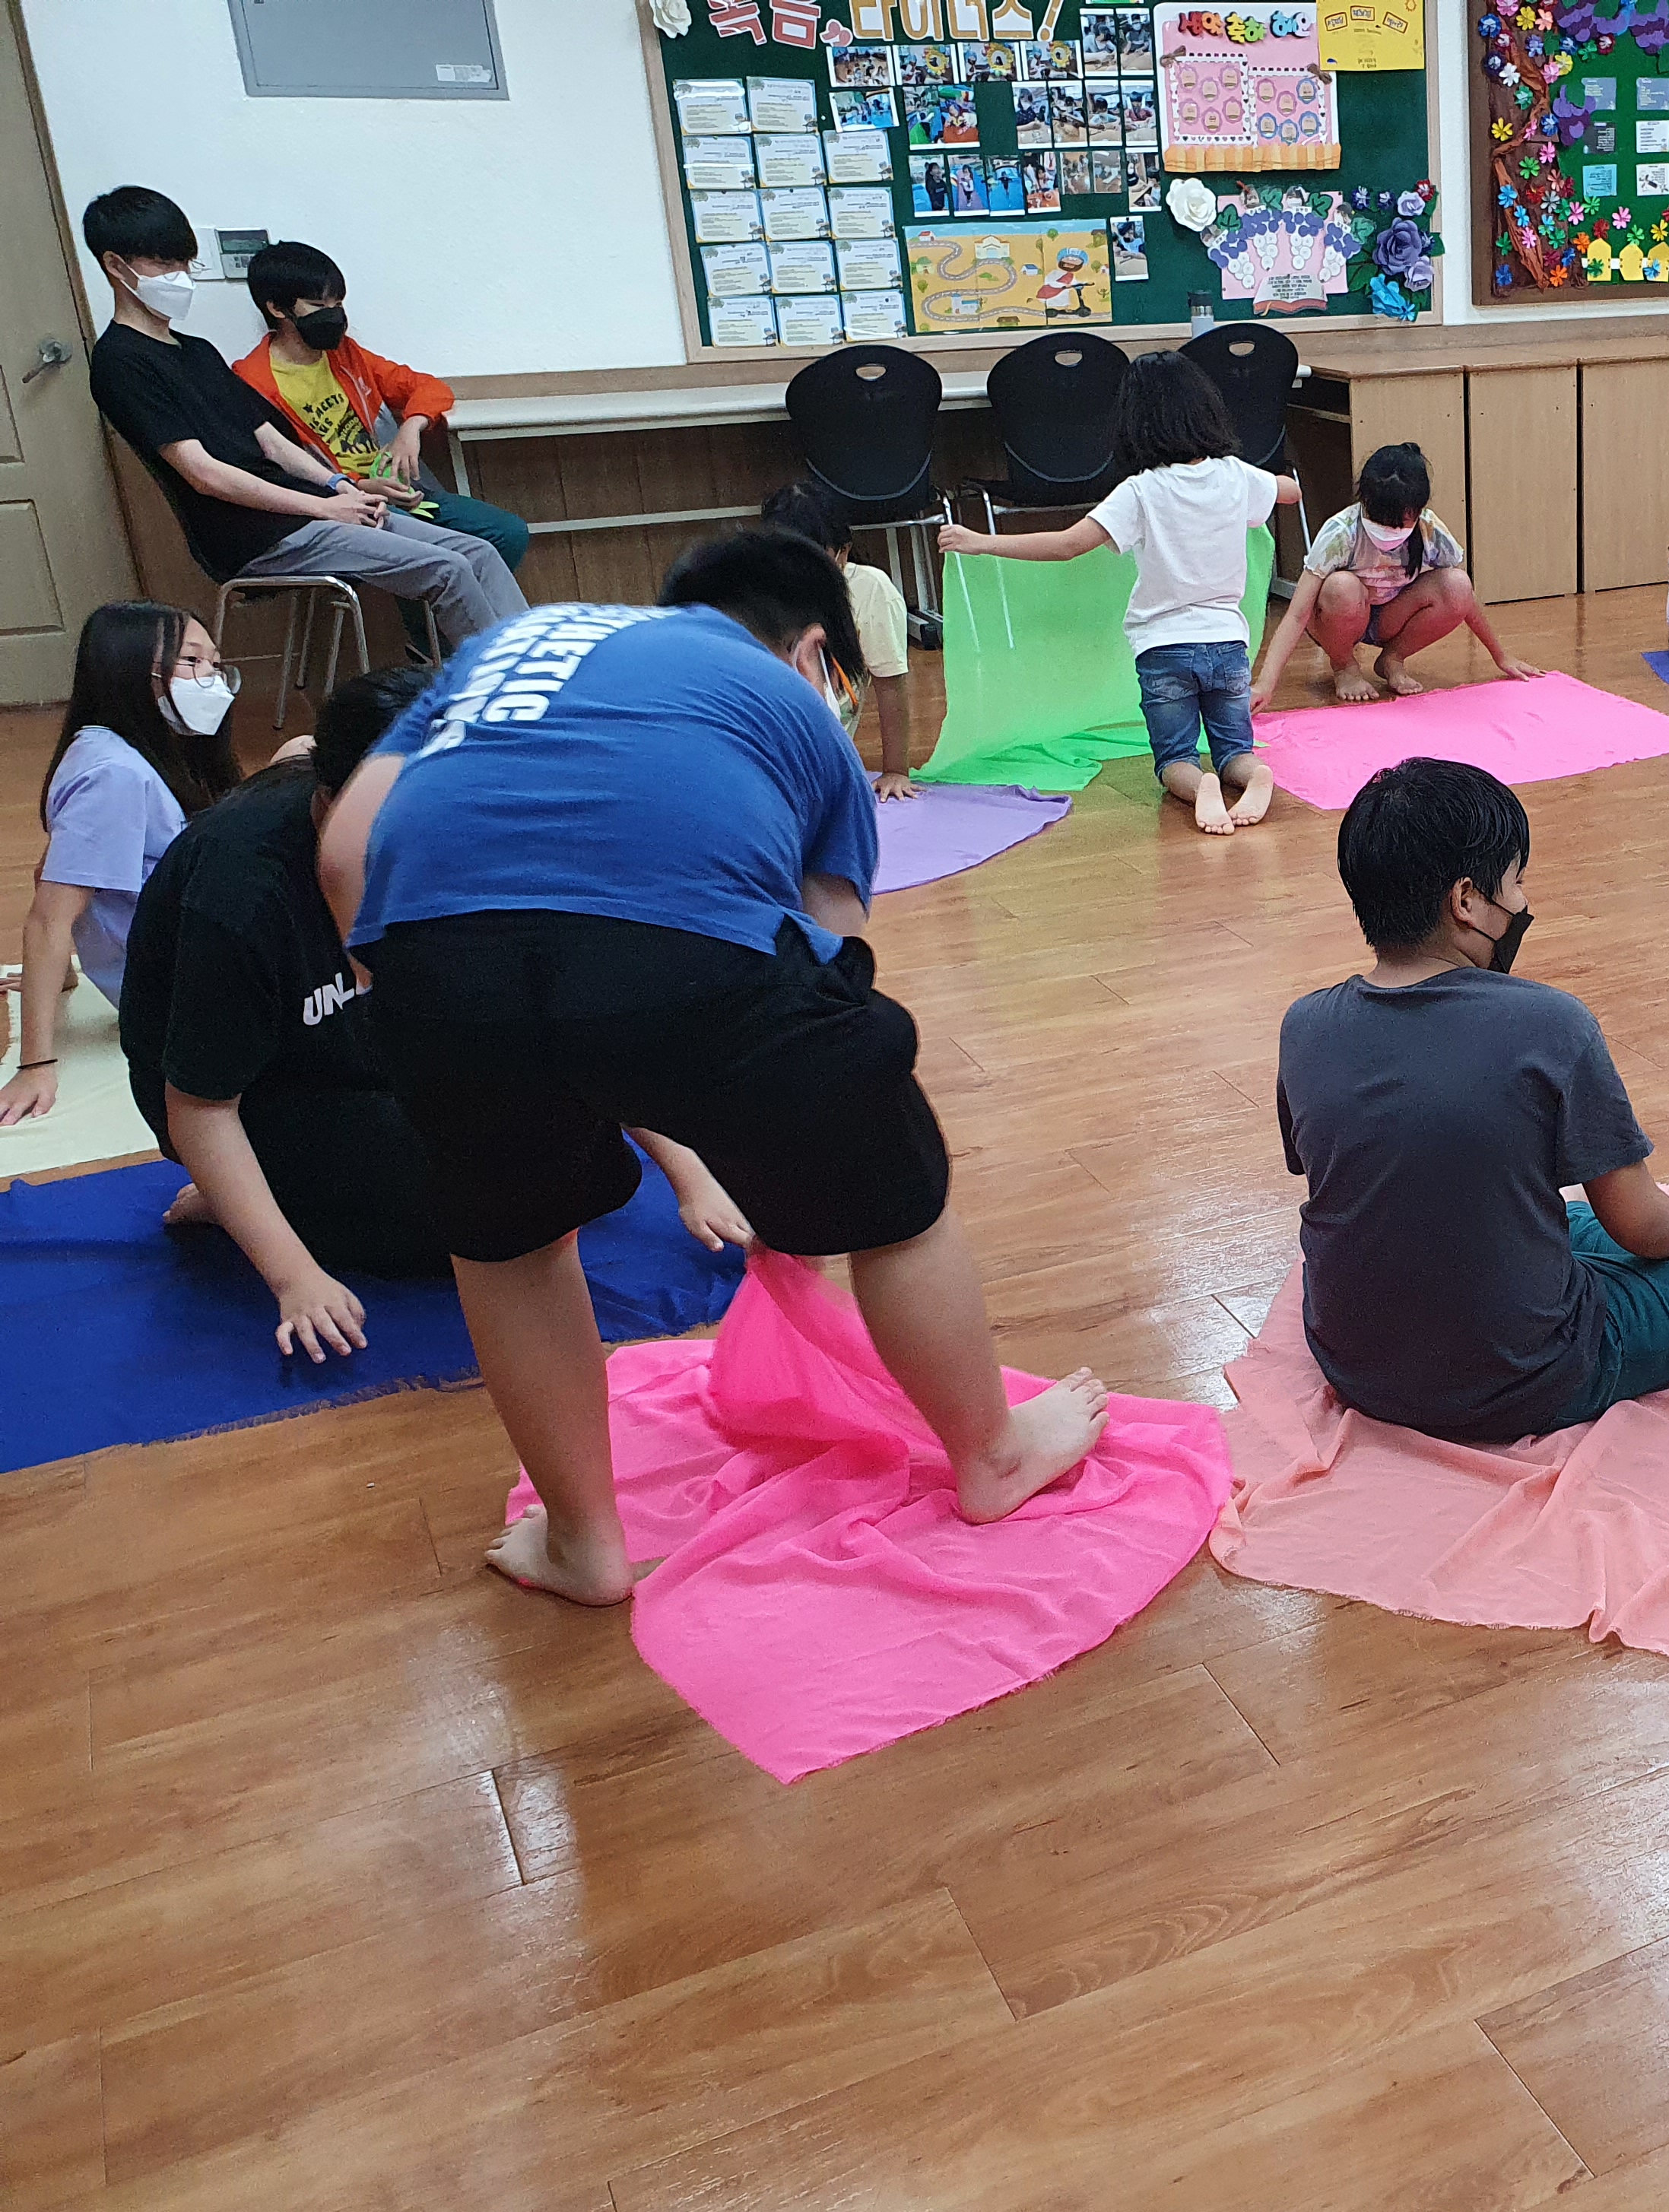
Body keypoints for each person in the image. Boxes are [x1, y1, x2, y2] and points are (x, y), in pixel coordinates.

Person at [315, 532, 1109, 1603]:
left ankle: (584, 1544)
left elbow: (346, 851)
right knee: (897, 1201)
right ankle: (992, 1455)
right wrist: (792, 1152)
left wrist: (432, 1011)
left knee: (510, 1248)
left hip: (438, 959)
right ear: (814, 651)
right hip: (686, 959)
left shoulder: (510, 644)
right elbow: (830, 941)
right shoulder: (788, 700)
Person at [120, 665, 750, 1362]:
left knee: (578, 1170)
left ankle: (293, 1194)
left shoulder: (471, 839)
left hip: (374, 1045)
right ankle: (244, 1199)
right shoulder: (242, 892)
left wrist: (692, 1176)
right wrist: (295, 1277)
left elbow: (566, 1017)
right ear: (329, 805)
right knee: (452, 1213)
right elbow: (200, 1107)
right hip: (256, 1090)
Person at [1275, 756, 1669, 1442]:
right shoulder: (1550, 1023)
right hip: (1530, 1377)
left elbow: (1362, 1170)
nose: (1524, 901)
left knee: (1548, 1212)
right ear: (1467, 901)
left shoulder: (1305, 1025)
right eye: (1517, 881)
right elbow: (1645, 1231)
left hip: (1354, 1364)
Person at [81, 188, 527, 654]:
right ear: (116, 265)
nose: (180, 277)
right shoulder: (121, 362)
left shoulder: (198, 352)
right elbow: (204, 475)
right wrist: (323, 507)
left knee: (477, 552)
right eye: (163, 264)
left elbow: (272, 443)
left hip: (307, 511)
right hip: (256, 536)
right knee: (448, 569)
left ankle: (539, 673)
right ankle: (497, 686)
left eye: (185, 263)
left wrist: (339, 487)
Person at [936, 351, 1297, 833]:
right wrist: (1259, 483)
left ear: (1135, 425)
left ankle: (1199, 787)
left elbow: (1067, 546)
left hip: (1164, 648)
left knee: (1175, 759)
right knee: (1235, 750)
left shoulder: (1141, 491)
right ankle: (1253, 774)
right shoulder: (1234, 474)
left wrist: (982, 542)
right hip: (1228, 643)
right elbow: (1289, 492)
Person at [229, 240, 533, 657]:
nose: (334, 315)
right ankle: (440, 650)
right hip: (345, 503)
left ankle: (458, 642)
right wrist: (358, 486)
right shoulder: (252, 380)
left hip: (404, 491)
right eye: (318, 305)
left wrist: (412, 426)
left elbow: (429, 387)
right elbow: (281, 470)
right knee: (432, 555)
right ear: (277, 309)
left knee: (505, 533)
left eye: (338, 303)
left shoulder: (347, 355)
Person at [2, 602, 240, 1126]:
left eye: (217, 664)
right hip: (185, 991)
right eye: (191, 662)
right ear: (131, 671)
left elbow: (48, 868)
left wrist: (65, 976)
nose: (212, 680)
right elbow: (49, 917)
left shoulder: (124, 750)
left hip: (194, 960)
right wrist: (35, 1065)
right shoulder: (113, 773)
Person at [1249, 443, 1541, 706]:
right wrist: (1265, 684)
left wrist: (1501, 655)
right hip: (1337, 617)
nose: (1389, 531)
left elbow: (1465, 598)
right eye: (1380, 522)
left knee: (1457, 584)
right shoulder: (1341, 532)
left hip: (1389, 618)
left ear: (1418, 512)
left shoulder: (1428, 528)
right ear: (1364, 502)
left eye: (1400, 524)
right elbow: (1297, 614)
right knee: (1342, 587)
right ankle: (1344, 666)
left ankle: (1392, 658)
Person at [760, 480, 917, 799]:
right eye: (786, 558)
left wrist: (896, 771)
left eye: (814, 559)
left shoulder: (871, 590)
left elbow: (890, 684)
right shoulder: (758, 594)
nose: (798, 572)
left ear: (843, 551)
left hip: (820, 758)